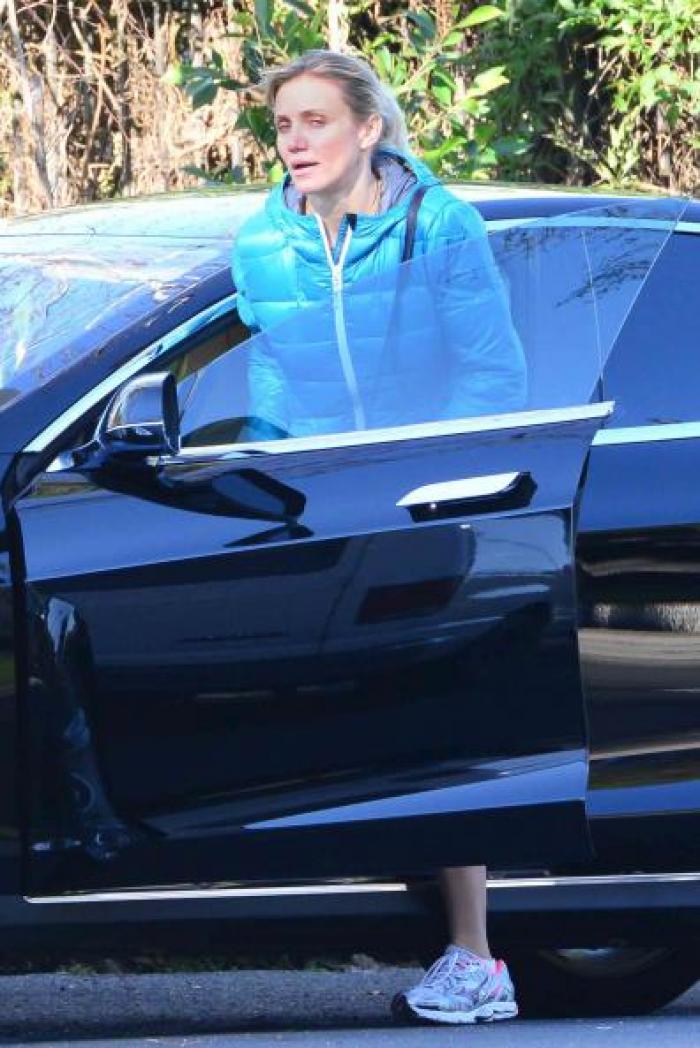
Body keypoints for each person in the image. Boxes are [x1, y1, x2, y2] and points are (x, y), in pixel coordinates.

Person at [231, 49, 524, 1025]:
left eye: (316, 120)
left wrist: (425, 483)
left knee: (436, 718)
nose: (295, 140)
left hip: (423, 497)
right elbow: (270, 376)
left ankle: (475, 957)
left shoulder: (438, 225)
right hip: (319, 506)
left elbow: (493, 373)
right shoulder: (262, 242)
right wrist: (270, 476)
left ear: (368, 129)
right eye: (283, 124)